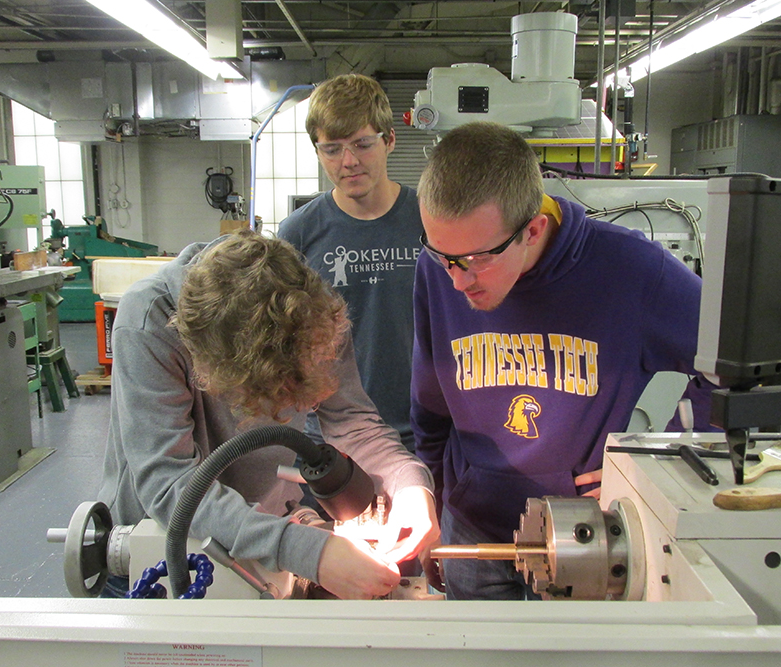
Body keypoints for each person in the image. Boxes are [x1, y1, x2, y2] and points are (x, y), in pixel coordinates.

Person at [411, 121, 714, 600]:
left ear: (532, 230)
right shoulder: (441, 267)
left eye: (476, 259)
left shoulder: (632, 270)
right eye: (443, 256)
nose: (457, 281)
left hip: (581, 539)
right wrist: (432, 498)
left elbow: (736, 364)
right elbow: (430, 401)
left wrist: (656, 465)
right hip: (471, 524)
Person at [98, 231, 438, 600]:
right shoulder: (148, 322)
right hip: (161, 554)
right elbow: (169, 482)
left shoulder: (312, 312)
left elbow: (352, 423)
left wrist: (410, 485)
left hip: (267, 535)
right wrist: (306, 550)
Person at [278, 73, 421, 451]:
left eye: (362, 144)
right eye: (332, 149)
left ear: (390, 140)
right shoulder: (298, 233)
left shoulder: (430, 220)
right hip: (330, 435)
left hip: (423, 431)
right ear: (318, 152)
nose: (349, 162)